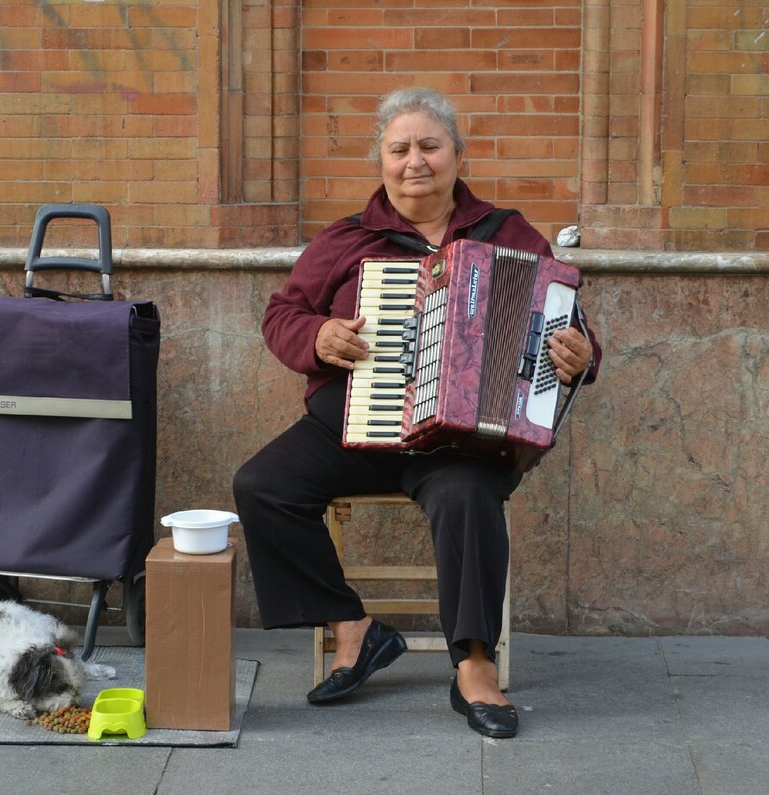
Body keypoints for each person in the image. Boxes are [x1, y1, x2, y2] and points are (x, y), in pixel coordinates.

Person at [232, 87, 601, 739]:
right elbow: (282, 313)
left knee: (466, 495)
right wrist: (317, 337)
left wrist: (579, 352)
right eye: (399, 148)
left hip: (461, 444)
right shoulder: (347, 240)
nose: (415, 161)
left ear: (458, 154)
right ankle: (354, 627)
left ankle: (475, 664)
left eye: (429, 145)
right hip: (352, 429)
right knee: (262, 485)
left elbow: (566, 323)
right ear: (381, 158)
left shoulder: (508, 234)